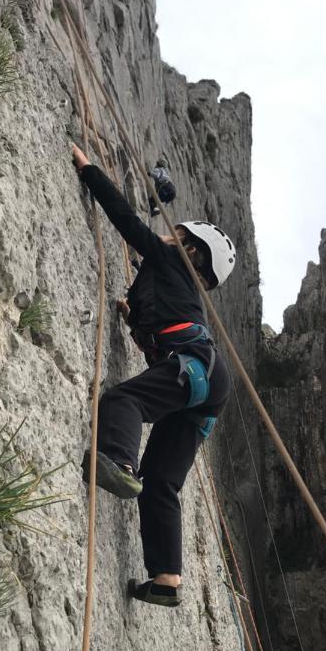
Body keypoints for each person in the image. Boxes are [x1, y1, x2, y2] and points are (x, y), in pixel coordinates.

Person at [72, 143, 236, 608]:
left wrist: (90, 172)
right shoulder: (176, 288)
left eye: (177, 234)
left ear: (190, 250)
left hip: (198, 368)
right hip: (208, 384)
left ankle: (119, 463)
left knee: (123, 401)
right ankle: (166, 579)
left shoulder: (168, 262)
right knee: (162, 481)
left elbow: (128, 223)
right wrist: (133, 319)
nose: (168, 236)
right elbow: (165, 343)